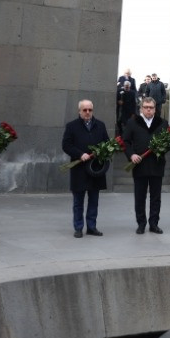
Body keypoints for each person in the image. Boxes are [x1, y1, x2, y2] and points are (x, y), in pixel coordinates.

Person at [62, 99, 109, 238]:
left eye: (90, 110)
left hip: (95, 169)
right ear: (79, 111)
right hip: (79, 170)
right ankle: (78, 227)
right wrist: (80, 154)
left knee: (94, 200)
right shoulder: (72, 126)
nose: (87, 112)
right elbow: (66, 145)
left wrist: (102, 151)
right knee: (78, 202)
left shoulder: (100, 125)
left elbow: (106, 143)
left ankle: (92, 227)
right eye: (85, 110)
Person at [122, 97, 169, 234]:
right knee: (140, 196)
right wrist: (131, 155)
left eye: (151, 107)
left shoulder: (162, 123)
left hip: (156, 165)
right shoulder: (132, 122)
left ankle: (154, 224)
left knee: (156, 197)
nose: (149, 110)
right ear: (141, 108)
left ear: (155, 109)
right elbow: (125, 141)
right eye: (146, 107)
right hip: (139, 165)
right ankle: (141, 223)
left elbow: (168, 142)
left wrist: (162, 149)